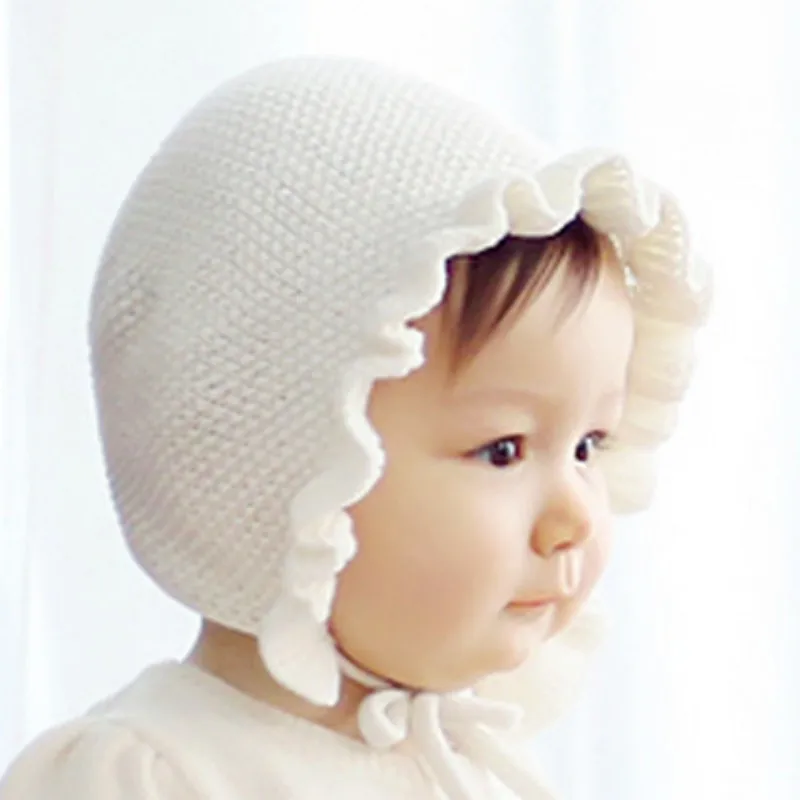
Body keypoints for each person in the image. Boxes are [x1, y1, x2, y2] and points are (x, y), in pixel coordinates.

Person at [0, 56, 711, 799]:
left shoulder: (472, 764)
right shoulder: (151, 775)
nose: (576, 518)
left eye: (589, 446)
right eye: (503, 450)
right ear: (277, 468)